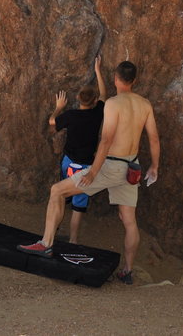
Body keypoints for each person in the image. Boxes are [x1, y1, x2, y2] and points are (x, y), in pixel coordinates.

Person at [18, 60, 160, 285]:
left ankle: (45, 244)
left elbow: (106, 140)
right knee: (129, 220)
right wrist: (154, 166)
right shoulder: (145, 104)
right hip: (132, 167)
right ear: (135, 80)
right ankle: (128, 271)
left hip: (111, 165)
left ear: (115, 78)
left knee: (57, 191)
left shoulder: (113, 103)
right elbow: (153, 137)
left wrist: (93, 172)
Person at [49, 56, 107, 243]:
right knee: (78, 206)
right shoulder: (98, 113)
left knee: (60, 196)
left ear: (78, 99)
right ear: (95, 101)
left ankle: (53, 231)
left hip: (69, 162)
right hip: (86, 167)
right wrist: (98, 70)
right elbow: (105, 96)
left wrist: (58, 108)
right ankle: (73, 241)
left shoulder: (71, 115)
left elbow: (52, 123)